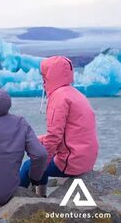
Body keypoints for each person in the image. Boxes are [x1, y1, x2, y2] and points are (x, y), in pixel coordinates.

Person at [19, 56, 99, 196]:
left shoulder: (59, 97)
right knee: (41, 154)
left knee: (29, 166)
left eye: (44, 75)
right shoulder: (75, 94)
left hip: (73, 161)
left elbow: (55, 136)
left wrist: (41, 163)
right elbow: (71, 132)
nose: (43, 79)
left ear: (51, 75)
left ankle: (16, 199)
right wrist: (39, 140)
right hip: (86, 157)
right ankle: (40, 196)